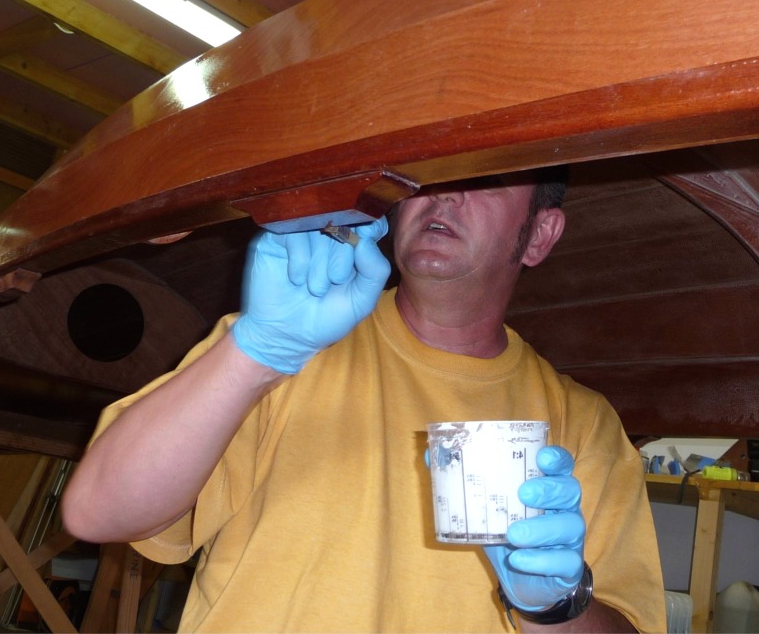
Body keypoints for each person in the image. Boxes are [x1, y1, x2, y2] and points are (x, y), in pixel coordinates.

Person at [61, 168, 666, 632]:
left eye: (485, 178)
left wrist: (556, 606)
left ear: (539, 234)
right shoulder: (281, 344)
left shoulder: (583, 425)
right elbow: (97, 513)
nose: (446, 195)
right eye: (431, 175)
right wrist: (256, 353)